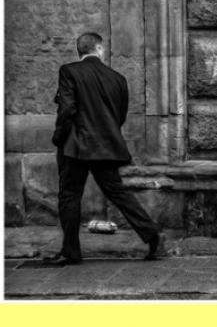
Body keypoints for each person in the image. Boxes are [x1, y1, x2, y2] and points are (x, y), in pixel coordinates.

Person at [46, 32, 162, 265]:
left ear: (80, 50)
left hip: (75, 147)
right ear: (99, 49)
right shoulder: (117, 78)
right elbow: (119, 114)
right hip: (105, 145)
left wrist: (59, 137)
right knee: (117, 192)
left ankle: (71, 252)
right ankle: (152, 235)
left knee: (70, 196)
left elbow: (67, 109)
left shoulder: (69, 71)